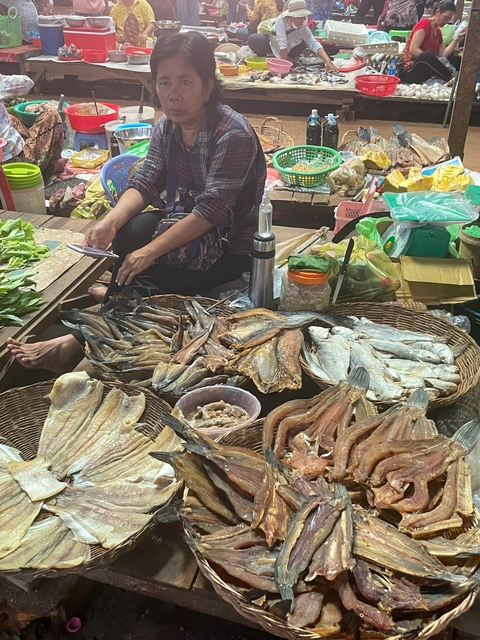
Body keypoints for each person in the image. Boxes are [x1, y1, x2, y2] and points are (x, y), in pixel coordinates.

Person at [7, 31, 266, 373]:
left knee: (150, 273)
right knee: (129, 232)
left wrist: (151, 252)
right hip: (189, 232)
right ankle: (106, 315)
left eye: (185, 82)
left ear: (207, 86)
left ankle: (76, 341)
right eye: (164, 82)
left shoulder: (232, 134)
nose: (173, 94)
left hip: (231, 247)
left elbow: (211, 211)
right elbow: (145, 183)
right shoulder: (166, 128)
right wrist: (110, 222)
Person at [247, 0, 338, 67]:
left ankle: (290, 58)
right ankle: (264, 58)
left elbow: (314, 44)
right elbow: (282, 43)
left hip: (290, 50)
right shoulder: (281, 21)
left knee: (304, 43)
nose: (301, 20)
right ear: (291, 17)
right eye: (298, 17)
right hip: (274, 46)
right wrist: (284, 65)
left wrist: (328, 61)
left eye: (303, 17)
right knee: (253, 39)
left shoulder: (303, 28)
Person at [400, 0, 464, 83]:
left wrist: (457, 38)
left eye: (449, 19)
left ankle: (454, 78)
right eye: (446, 18)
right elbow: (413, 50)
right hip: (411, 69)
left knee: (456, 60)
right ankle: (452, 79)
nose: (447, 21)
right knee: (426, 56)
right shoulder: (425, 24)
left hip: (428, 69)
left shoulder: (438, 32)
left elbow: (443, 54)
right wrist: (434, 61)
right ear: (438, 12)